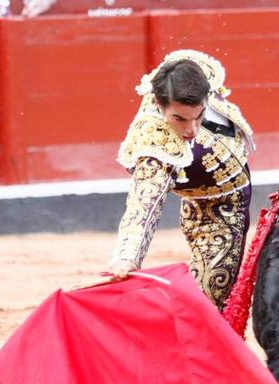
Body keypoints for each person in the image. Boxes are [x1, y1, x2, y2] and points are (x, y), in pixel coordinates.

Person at [108, 50, 255, 311]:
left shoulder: (193, 75)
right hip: (215, 217)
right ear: (158, 104)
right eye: (179, 119)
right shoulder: (156, 145)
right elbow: (144, 204)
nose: (191, 130)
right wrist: (126, 257)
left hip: (221, 200)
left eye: (199, 116)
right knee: (206, 309)